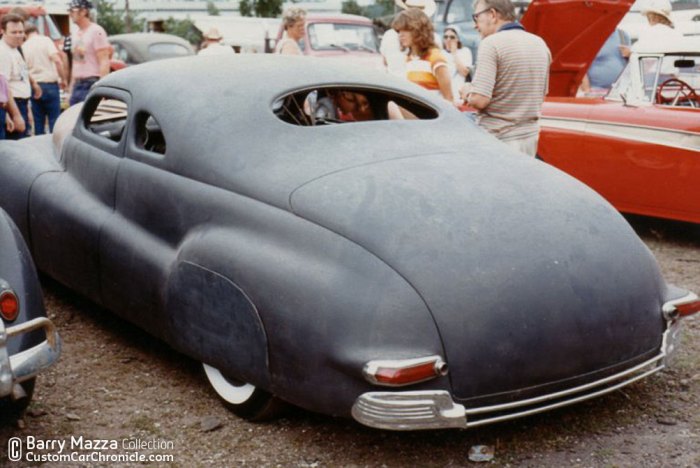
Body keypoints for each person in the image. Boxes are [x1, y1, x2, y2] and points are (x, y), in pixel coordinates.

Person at [460, 0, 551, 157]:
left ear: (493, 14)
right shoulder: (540, 43)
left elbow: (480, 100)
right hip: (529, 138)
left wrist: (467, 92)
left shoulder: (491, 43)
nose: (475, 25)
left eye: (476, 17)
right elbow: (542, 94)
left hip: (496, 140)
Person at [392, 8, 453, 103]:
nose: (401, 35)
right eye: (399, 31)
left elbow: (449, 99)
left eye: (406, 30)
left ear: (418, 30)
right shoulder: (409, 58)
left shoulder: (435, 57)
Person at [0, 13, 39, 139]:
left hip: (22, 103)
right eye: (14, 32)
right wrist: (16, 115)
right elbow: (4, 87)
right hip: (13, 105)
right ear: (3, 31)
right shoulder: (3, 52)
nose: (19, 35)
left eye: (21, 32)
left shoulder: (15, 48)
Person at [23, 23, 67, 134]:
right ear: (36, 31)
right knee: (54, 120)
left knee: (38, 122)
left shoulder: (24, 46)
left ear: (25, 34)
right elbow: (57, 61)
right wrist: (63, 79)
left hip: (34, 85)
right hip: (50, 84)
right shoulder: (46, 40)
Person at [68, 0, 110, 106]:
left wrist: (102, 88)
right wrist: (71, 87)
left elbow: (104, 60)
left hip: (91, 82)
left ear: (83, 12)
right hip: (78, 84)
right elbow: (76, 62)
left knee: (89, 119)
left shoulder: (96, 31)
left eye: (72, 10)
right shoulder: (76, 34)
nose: (70, 14)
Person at [380, 0, 438, 77]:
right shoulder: (433, 37)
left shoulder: (389, 34)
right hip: (416, 85)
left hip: (392, 84)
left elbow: (385, 62)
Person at [579, 28, 630, 96]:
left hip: (620, 93)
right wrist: (586, 90)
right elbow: (580, 66)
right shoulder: (589, 36)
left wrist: (630, 54)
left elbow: (632, 64)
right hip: (595, 92)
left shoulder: (623, 35)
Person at [441, 25, 472, 104]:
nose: (448, 40)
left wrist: (454, 53)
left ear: (458, 39)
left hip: (458, 95)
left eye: (452, 37)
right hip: (444, 95)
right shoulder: (440, 53)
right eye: (446, 37)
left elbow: (464, 72)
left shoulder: (465, 51)